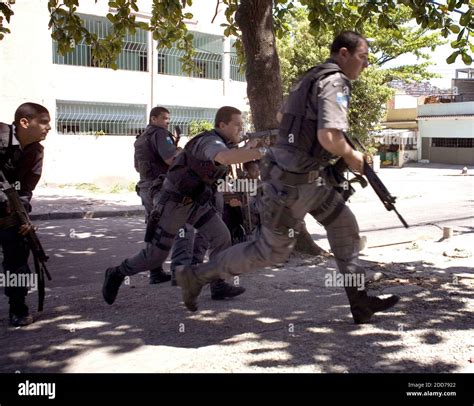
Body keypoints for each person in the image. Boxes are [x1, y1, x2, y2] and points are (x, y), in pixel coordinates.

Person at [176, 31, 400, 324]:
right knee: (269, 252)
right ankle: (195, 276)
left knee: (344, 226)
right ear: (343, 54)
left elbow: (284, 117)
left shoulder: (310, 78)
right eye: (362, 57)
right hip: (291, 185)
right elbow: (329, 136)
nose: (365, 64)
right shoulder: (336, 82)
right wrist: (351, 155)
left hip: (309, 179)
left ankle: (359, 303)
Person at [103, 106, 265, 305]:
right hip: (175, 203)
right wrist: (263, 151)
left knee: (222, 237)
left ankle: (218, 284)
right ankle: (117, 272)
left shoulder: (221, 143)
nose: (241, 129)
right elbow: (225, 158)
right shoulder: (209, 141)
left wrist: (250, 147)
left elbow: (231, 153)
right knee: (154, 257)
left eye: (243, 125)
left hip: (197, 203)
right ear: (222, 125)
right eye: (237, 125)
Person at [0, 102, 51, 326]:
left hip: (8, 211)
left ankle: (17, 307)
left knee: (19, 255)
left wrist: (22, 213)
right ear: (24, 122)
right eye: (43, 122)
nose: (48, 127)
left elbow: (25, 189)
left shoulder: (36, 151)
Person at [134, 106, 179, 284]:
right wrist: (181, 153)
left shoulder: (141, 138)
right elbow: (170, 160)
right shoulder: (161, 134)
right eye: (164, 118)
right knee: (179, 226)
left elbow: (137, 166)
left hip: (145, 186)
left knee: (153, 229)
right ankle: (180, 270)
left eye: (168, 119)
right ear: (154, 119)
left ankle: (155, 271)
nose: (167, 122)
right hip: (160, 187)